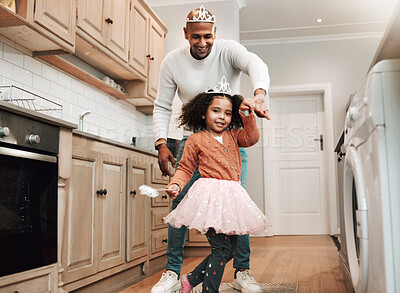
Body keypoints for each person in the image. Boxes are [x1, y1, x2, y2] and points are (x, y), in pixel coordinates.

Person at [152, 5, 270, 293]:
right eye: (195, 37)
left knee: (237, 208)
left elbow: (256, 64)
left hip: (228, 141)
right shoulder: (172, 61)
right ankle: (171, 272)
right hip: (191, 141)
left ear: (214, 33)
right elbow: (161, 106)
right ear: (186, 34)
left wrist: (259, 95)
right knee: (179, 205)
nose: (202, 43)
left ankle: (243, 270)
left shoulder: (228, 50)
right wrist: (161, 142)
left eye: (207, 36)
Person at [163, 77, 268, 293]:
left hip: (232, 199)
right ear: (203, 112)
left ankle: (190, 280)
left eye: (228, 113)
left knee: (231, 249)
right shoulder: (195, 140)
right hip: (210, 200)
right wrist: (176, 184)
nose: (222, 117)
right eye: (216, 111)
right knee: (221, 248)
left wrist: (247, 115)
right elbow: (184, 169)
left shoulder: (234, 136)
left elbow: (252, 137)